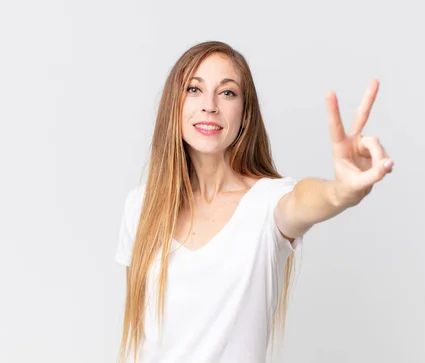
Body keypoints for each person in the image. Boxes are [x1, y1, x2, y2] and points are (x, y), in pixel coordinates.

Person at [115, 40, 394, 363]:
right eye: (194, 89)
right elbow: (139, 340)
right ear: (173, 106)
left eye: (227, 92)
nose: (209, 105)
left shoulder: (267, 202)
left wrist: (342, 191)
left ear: (245, 115)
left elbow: (304, 201)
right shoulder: (141, 206)